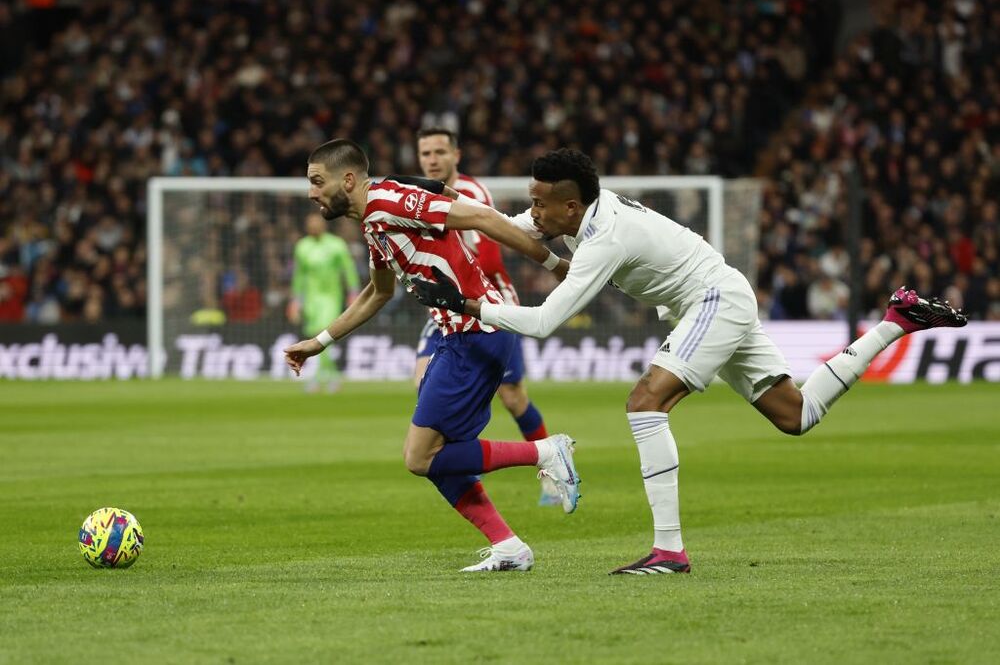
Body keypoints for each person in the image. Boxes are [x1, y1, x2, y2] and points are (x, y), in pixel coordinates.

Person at [412, 148, 968, 575]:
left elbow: (542, 321)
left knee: (644, 403)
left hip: (711, 300)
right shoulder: (579, 213)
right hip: (717, 296)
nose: (531, 211)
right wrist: (439, 213)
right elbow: (512, 224)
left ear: (571, 205)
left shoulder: (605, 238)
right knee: (796, 415)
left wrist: (469, 304)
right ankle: (897, 320)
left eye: (539, 201)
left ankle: (668, 551)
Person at [283, 138, 581, 572]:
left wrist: (554, 265)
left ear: (347, 179)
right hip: (456, 336)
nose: (311, 193)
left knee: (419, 457)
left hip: (476, 332)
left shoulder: (388, 202)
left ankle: (546, 452)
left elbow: (479, 216)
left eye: (316, 181)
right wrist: (319, 341)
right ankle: (509, 547)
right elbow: (377, 292)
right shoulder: (373, 222)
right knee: (440, 458)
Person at [414, 127, 560, 506]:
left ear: (456, 155)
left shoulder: (472, 195)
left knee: (512, 398)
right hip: (445, 309)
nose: (432, 159)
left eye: (439, 151)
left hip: (488, 307)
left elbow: (491, 257)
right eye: (425, 153)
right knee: (422, 382)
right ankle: (461, 461)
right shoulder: (418, 198)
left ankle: (549, 471)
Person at [288, 212, 360, 392]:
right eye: (309, 224)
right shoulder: (302, 246)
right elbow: (299, 276)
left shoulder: (336, 245)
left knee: (322, 334)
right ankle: (332, 375)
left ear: (323, 225)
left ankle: (318, 377)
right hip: (311, 299)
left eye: (315, 223)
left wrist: (353, 292)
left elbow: (348, 269)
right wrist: (295, 300)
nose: (313, 227)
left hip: (331, 297)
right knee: (315, 335)